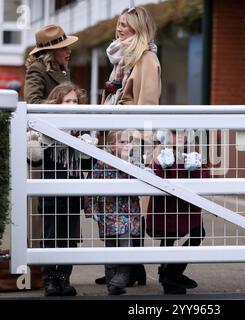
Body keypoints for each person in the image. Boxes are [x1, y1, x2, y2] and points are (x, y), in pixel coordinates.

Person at [95, 5, 161, 286]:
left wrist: (138, 145)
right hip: (112, 139)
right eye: (118, 23)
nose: (119, 28)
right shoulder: (121, 59)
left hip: (128, 143)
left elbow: (147, 105)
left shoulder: (145, 59)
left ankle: (124, 270)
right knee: (113, 202)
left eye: (125, 24)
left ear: (138, 28)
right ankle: (129, 269)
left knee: (126, 204)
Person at [27, 82, 90, 297]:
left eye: (75, 100)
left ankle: (64, 277)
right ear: (57, 103)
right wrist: (33, 148)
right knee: (51, 236)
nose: (72, 104)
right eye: (67, 101)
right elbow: (35, 163)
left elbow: (88, 165)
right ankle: (49, 279)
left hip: (73, 192)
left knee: (69, 236)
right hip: (51, 191)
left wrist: (86, 146)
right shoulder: (46, 128)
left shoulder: (82, 129)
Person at [146, 130, 209, 294]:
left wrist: (196, 168)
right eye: (175, 133)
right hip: (167, 207)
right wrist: (161, 166)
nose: (180, 136)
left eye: (183, 132)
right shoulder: (159, 153)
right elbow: (151, 177)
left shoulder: (192, 153)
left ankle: (172, 272)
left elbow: (205, 178)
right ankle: (167, 276)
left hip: (187, 208)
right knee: (168, 239)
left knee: (198, 234)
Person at [85, 130, 142, 296]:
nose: (126, 145)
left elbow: (143, 179)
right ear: (111, 146)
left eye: (129, 142)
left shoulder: (134, 162)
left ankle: (121, 278)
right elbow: (90, 186)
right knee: (110, 246)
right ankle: (112, 284)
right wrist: (92, 209)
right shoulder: (102, 163)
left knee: (126, 244)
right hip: (108, 212)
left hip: (129, 211)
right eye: (122, 142)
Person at [24, 23, 78, 104]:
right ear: (51, 52)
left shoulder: (62, 68)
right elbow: (33, 102)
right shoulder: (37, 69)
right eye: (63, 48)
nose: (69, 51)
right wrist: (61, 104)